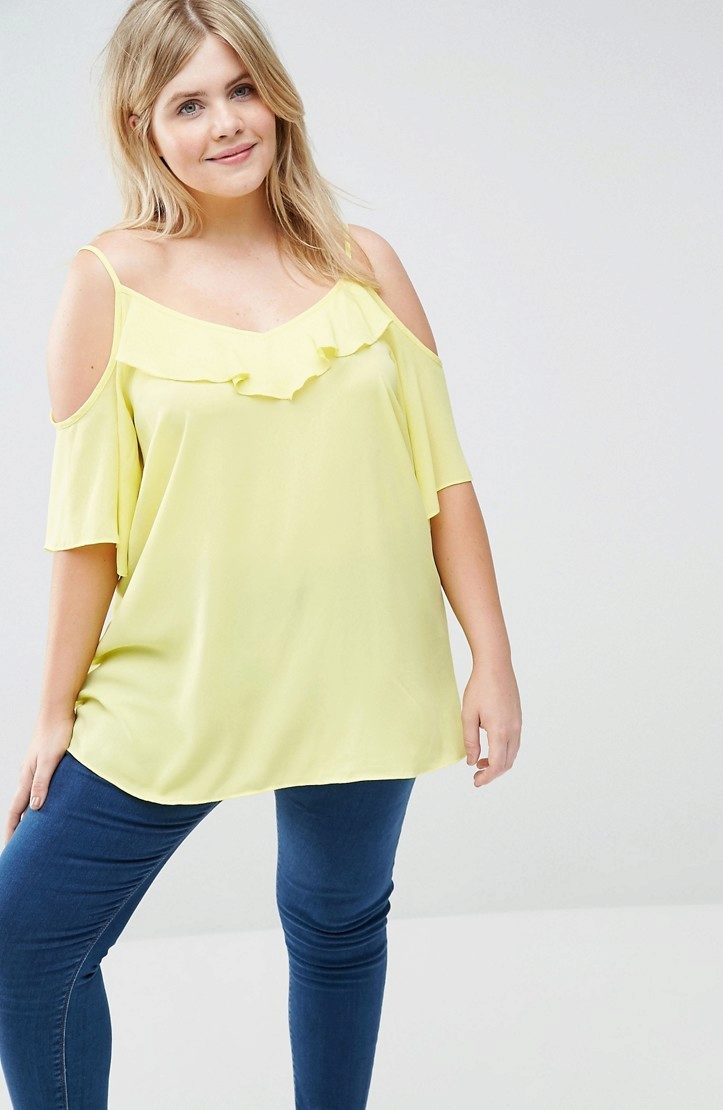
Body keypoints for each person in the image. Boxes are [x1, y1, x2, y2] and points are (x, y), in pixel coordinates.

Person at [0, 0, 522, 1106]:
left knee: (337, 928)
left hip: (361, 668)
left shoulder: (363, 265)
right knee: (25, 942)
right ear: (143, 127)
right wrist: (52, 714)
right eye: (188, 103)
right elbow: (87, 529)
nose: (226, 122)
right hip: (179, 680)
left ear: (277, 99)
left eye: (242, 90)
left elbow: (444, 481)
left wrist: (491, 658)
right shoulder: (107, 281)